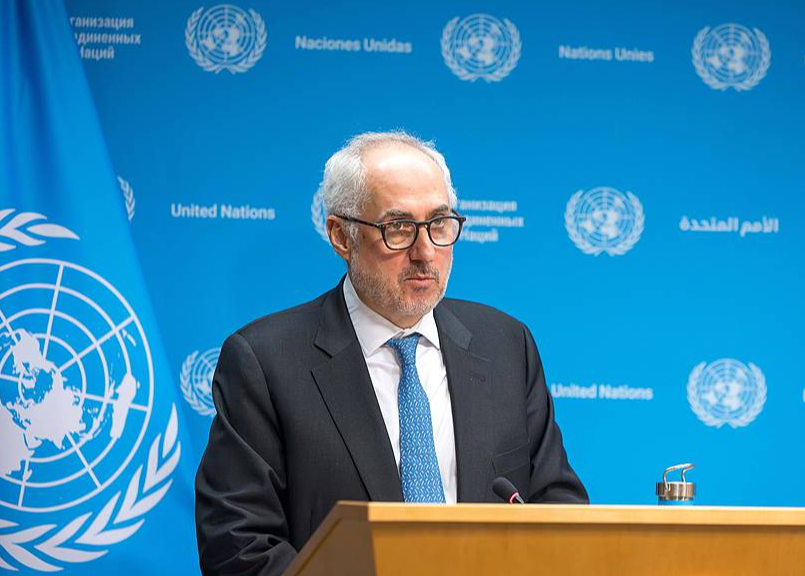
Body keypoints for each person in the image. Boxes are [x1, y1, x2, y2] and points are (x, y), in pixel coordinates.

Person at [195, 131, 588, 575]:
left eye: (439, 224)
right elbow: (238, 546)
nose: (425, 252)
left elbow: (559, 508)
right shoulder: (265, 362)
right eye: (398, 228)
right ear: (341, 236)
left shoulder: (505, 344)